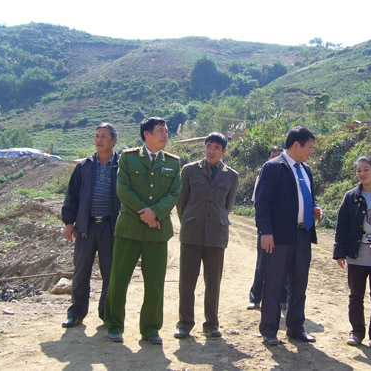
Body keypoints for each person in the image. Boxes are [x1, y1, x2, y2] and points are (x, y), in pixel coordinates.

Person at [104, 117, 181, 345]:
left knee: (155, 283)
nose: (165, 135)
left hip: (158, 230)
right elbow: (123, 189)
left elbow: (175, 193)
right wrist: (144, 213)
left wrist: (155, 212)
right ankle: (114, 325)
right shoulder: (128, 158)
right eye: (161, 131)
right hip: (129, 228)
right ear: (146, 134)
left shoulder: (173, 163)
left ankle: (151, 328)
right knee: (119, 279)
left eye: (167, 131)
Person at [255, 126, 323, 345]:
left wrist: (315, 206)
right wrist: (266, 232)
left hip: (303, 235)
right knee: (274, 284)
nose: (311, 151)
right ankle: (269, 330)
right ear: (296, 145)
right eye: (309, 146)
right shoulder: (273, 167)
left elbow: (309, 196)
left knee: (299, 284)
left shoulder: (306, 170)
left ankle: (295, 328)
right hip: (279, 237)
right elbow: (262, 203)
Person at [174, 132, 239, 339]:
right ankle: (185, 323)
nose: (211, 151)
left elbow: (227, 207)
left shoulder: (231, 176)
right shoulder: (189, 170)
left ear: (223, 151)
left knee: (213, 282)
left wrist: (215, 222)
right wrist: (190, 221)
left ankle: (211, 324)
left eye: (216, 148)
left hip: (216, 236)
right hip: (191, 234)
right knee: (187, 281)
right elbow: (181, 203)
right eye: (208, 146)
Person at [61, 123, 121, 328]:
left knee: (110, 274)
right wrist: (69, 222)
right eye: (97, 136)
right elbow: (72, 195)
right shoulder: (84, 166)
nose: (99, 140)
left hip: (111, 228)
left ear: (114, 141)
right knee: (81, 271)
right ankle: (76, 313)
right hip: (86, 227)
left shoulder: (122, 167)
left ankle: (107, 314)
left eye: (104, 136)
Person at [333, 156, 371, 349]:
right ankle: (356, 332)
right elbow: (342, 225)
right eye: (359, 170)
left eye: (366, 169)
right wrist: (339, 251)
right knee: (356, 295)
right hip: (356, 253)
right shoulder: (351, 196)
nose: (362, 174)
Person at [247, 146, 283, 310]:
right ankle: (255, 297)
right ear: (268, 159)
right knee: (262, 262)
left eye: (279, 156)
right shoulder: (263, 176)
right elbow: (259, 203)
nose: (275, 159)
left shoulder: (289, 175)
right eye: (273, 156)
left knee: (284, 264)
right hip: (267, 226)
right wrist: (263, 228)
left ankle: (283, 299)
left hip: (284, 227)